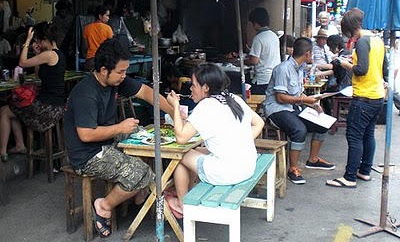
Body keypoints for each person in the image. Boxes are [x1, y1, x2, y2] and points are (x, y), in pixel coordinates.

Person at [63, 38, 174, 238]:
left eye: (125, 71)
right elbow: (86, 135)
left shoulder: (115, 80)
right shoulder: (86, 93)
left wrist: (174, 112)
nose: (124, 76)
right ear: (104, 70)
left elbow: (147, 93)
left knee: (141, 135)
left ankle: (138, 194)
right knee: (140, 173)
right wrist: (120, 127)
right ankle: (103, 205)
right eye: (121, 72)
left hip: (105, 141)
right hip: (87, 155)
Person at [164, 63, 264, 217]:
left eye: (194, 85)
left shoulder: (206, 105)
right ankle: (187, 191)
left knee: (178, 155)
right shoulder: (232, 98)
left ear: (205, 88)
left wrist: (176, 106)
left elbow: (181, 138)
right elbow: (259, 123)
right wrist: (240, 143)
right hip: (247, 166)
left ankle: (182, 204)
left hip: (228, 173)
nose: (190, 88)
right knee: (195, 151)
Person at [326, 8, 388, 188]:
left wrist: (344, 63)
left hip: (364, 97)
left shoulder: (362, 42)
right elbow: (383, 68)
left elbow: (361, 70)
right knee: (368, 134)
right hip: (376, 96)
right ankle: (364, 171)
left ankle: (350, 176)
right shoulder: (378, 40)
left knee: (354, 136)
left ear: (350, 27)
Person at [264, 37, 335, 185]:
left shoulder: (300, 68)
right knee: (299, 130)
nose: (313, 57)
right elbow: (281, 97)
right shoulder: (283, 69)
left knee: (322, 123)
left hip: (292, 108)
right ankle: (293, 169)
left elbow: (297, 94)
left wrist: (313, 104)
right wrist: (304, 101)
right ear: (307, 54)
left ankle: (313, 160)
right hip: (276, 110)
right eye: (312, 54)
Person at [0, 22, 66, 162]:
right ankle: (19, 145)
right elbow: (38, 74)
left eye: (37, 40)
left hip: (46, 108)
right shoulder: (59, 54)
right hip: (56, 106)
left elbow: (22, 63)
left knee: (5, 111)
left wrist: (27, 42)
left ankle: (3, 151)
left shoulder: (49, 54)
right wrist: (37, 54)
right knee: (14, 108)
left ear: (43, 39)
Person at [246, 8, 281, 95]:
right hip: (274, 77)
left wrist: (242, 62)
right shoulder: (274, 36)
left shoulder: (258, 38)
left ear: (256, 23)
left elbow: (254, 61)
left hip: (262, 79)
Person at [83, 5, 113, 71]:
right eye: (107, 15)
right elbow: (110, 46)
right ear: (100, 16)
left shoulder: (87, 28)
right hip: (104, 60)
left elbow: (86, 46)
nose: (108, 18)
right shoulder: (108, 28)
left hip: (90, 60)